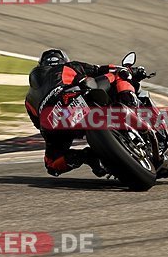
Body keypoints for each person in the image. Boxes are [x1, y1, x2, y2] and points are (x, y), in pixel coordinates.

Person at [24, 48, 139, 177]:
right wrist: (131, 70)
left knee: (51, 164)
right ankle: (131, 106)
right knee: (120, 73)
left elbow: (38, 124)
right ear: (63, 60)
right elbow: (100, 69)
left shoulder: (29, 98)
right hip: (77, 97)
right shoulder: (71, 66)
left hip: (54, 123)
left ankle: (85, 156)